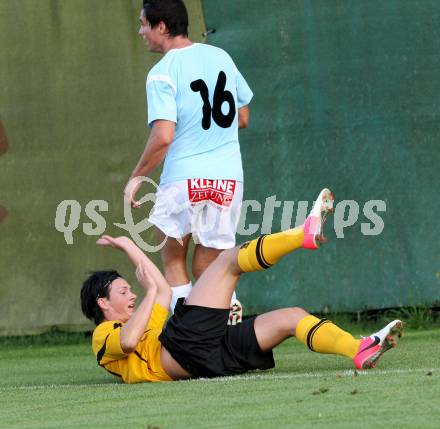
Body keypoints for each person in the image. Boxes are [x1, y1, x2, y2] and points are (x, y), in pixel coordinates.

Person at [81, 189, 403, 383]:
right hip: (183, 350)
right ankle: (302, 233)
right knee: (228, 262)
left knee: (290, 317)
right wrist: (150, 291)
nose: (132, 294)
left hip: (205, 360)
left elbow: (163, 291)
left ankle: (357, 349)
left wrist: (128, 246)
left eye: (130, 289)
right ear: (102, 304)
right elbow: (128, 341)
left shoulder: (142, 319)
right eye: (123, 292)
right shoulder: (103, 335)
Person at [123, 0, 253, 318]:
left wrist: (136, 176)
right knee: (208, 264)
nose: (141, 31)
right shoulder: (220, 56)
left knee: (172, 259)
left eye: (143, 23)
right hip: (227, 179)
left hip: (184, 178)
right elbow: (243, 117)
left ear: (162, 27)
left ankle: (186, 327)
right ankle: (226, 306)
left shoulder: (162, 73)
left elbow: (164, 136)